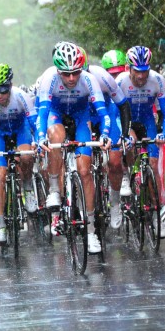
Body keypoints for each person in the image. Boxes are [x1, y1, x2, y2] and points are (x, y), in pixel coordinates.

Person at [37, 42, 111, 254]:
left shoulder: (88, 80)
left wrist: (105, 134)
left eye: (75, 72)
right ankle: (54, 189)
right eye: (66, 74)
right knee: (55, 137)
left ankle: (91, 231)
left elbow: (103, 114)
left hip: (80, 117)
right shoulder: (49, 78)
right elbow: (42, 113)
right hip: (56, 114)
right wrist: (41, 137)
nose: (71, 78)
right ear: (58, 71)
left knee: (85, 172)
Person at [0, 63, 37, 245]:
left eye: (4, 91)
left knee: (26, 156)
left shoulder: (21, 97)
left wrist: (38, 140)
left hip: (20, 130)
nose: (0, 96)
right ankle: (1, 225)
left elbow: (34, 123)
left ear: (10, 85)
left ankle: (28, 185)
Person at [115, 46, 165, 205]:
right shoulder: (120, 81)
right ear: (128, 68)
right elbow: (115, 114)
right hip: (127, 121)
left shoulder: (158, 80)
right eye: (137, 71)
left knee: (153, 165)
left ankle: (157, 208)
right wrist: (124, 134)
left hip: (147, 121)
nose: (141, 76)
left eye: (145, 71)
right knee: (130, 143)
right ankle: (127, 174)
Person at [85, 57, 131, 229]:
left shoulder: (102, 76)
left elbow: (123, 105)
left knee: (115, 161)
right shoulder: (65, 80)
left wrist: (124, 134)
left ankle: (115, 202)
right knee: (83, 163)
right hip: (84, 116)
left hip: (106, 114)